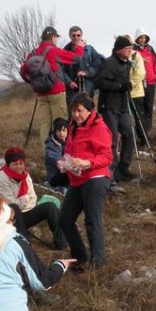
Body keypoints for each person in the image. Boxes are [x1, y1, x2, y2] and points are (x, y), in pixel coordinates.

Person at [57, 93, 113, 269]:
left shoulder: (99, 127)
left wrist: (88, 162)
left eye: (80, 111)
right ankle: (80, 257)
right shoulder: (73, 126)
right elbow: (69, 149)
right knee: (65, 219)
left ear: (90, 110)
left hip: (96, 177)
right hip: (77, 179)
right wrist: (64, 162)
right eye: (73, 111)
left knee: (92, 220)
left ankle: (98, 263)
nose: (76, 114)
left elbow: (107, 156)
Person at [0, 146, 66, 250]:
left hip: (25, 212)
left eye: (21, 163)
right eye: (15, 164)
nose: (19, 167)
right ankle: (24, 244)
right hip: (9, 219)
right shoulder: (1, 179)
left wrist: (24, 203)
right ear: (8, 165)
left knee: (50, 207)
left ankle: (61, 243)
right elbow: (11, 205)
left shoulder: (25, 175)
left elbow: (33, 198)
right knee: (14, 207)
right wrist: (25, 200)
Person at [21, 26, 84, 143]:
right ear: (53, 37)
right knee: (60, 123)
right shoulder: (53, 50)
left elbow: (23, 72)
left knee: (45, 124)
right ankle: (59, 153)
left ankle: (47, 153)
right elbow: (76, 58)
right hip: (56, 91)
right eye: (56, 38)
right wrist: (80, 47)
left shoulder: (32, 54)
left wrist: (33, 82)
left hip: (41, 94)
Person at [94, 35, 137, 184]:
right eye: (128, 48)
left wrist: (127, 86)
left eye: (131, 48)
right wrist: (119, 86)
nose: (130, 51)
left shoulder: (126, 63)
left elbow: (123, 82)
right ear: (119, 50)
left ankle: (123, 169)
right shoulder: (109, 63)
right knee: (111, 140)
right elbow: (99, 82)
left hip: (123, 106)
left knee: (129, 136)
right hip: (109, 106)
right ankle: (110, 172)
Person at [63, 25, 105, 98]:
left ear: (81, 35)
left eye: (78, 35)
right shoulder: (65, 51)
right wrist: (68, 82)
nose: (76, 37)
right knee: (72, 108)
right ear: (70, 36)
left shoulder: (89, 49)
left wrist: (86, 72)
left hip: (87, 86)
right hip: (72, 88)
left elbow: (99, 64)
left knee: (87, 107)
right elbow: (61, 70)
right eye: (74, 35)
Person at [133, 29, 156, 134]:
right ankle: (141, 130)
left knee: (149, 106)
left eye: (144, 37)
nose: (142, 39)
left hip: (150, 82)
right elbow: (132, 64)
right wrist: (140, 61)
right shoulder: (134, 50)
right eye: (140, 37)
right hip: (139, 83)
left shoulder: (150, 49)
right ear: (137, 38)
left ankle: (148, 129)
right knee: (140, 108)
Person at [43, 118, 69, 193]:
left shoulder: (68, 142)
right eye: (59, 131)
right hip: (54, 177)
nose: (61, 133)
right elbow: (58, 161)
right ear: (55, 132)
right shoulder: (51, 145)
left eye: (64, 130)